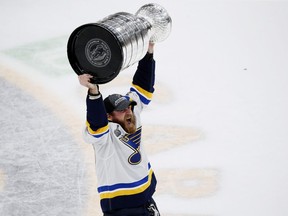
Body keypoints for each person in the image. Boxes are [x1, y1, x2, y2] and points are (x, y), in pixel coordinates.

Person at [78, 42, 160, 216]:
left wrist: (148, 52)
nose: (128, 111)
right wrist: (93, 91)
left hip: (146, 200)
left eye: (128, 107)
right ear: (109, 116)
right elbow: (97, 122)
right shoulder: (104, 139)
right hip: (123, 209)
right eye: (122, 109)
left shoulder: (132, 114)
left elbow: (142, 88)